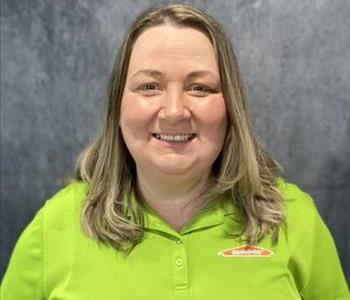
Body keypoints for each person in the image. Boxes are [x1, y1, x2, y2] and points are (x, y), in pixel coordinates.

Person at [1, 4, 349, 300]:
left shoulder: (294, 219)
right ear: (117, 107)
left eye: (200, 87)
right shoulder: (56, 224)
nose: (173, 111)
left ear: (231, 109)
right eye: (149, 86)